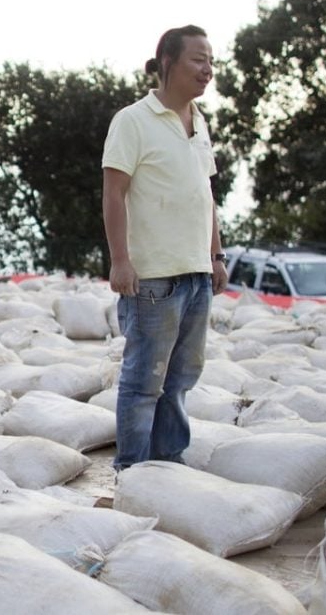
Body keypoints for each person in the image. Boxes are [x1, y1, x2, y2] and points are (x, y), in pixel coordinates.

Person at [101, 25, 228, 470]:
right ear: (167, 63)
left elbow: (205, 194)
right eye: (198, 59)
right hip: (154, 277)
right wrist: (120, 261)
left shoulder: (200, 123)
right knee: (144, 382)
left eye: (211, 61)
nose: (208, 69)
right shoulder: (132, 120)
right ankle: (131, 472)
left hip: (196, 273)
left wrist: (215, 255)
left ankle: (168, 466)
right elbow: (114, 193)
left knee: (181, 380)